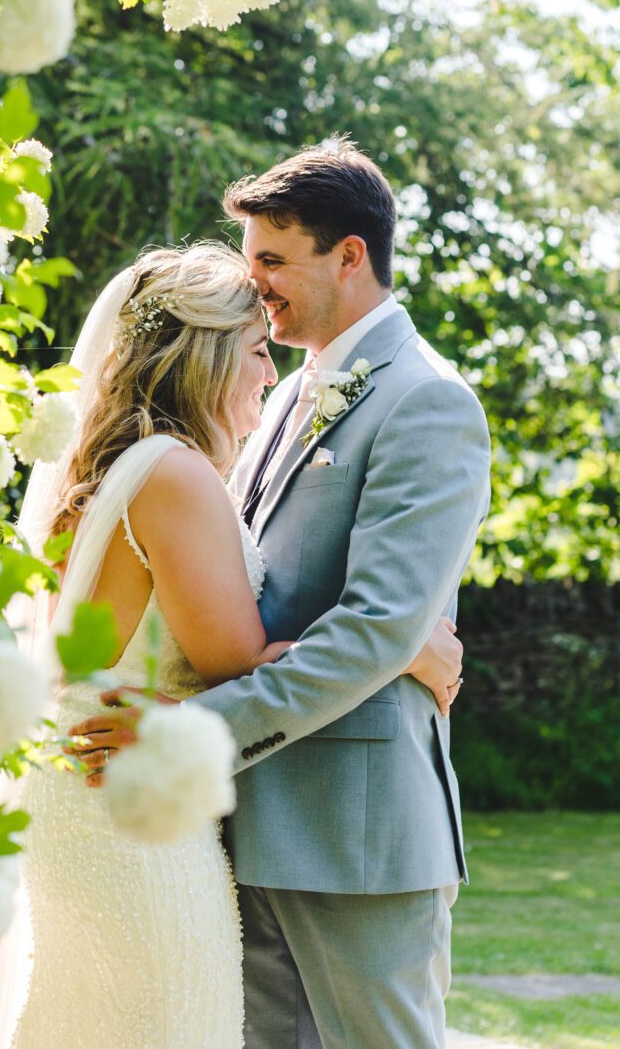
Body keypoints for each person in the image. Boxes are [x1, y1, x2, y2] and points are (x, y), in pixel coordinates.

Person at [0, 237, 466, 1049]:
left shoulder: (116, 468)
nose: (271, 373)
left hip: (92, 792)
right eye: (256, 351)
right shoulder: (176, 473)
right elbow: (236, 658)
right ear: (203, 357)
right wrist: (403, 645)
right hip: (129, 801)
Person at [68, 139, 492, 1049]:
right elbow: (232, 586)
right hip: (238, 823)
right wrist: (410, 642)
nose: (254, 282)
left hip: (356, 832)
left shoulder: (428, 402)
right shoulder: (269, 392)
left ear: (350, 255)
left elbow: (376, 620)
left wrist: (188, 732)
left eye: (272, 258)